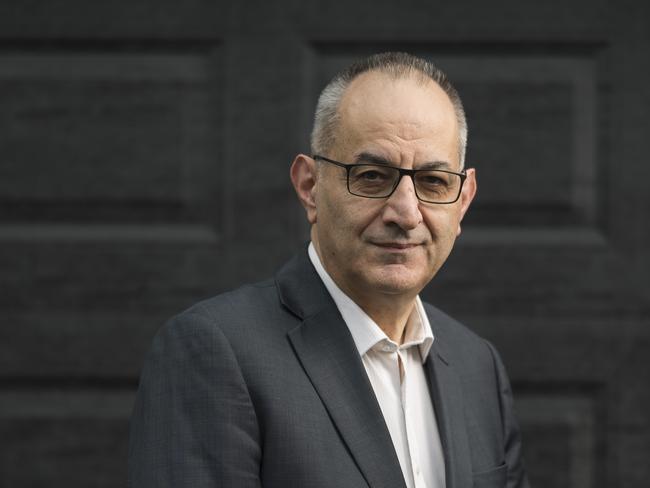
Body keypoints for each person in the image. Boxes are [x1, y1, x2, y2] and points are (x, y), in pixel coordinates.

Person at [128, 52, 530, 488]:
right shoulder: (214, 353)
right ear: (310, 186)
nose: (406, 213)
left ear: (463, 200)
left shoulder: (477, 366)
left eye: (433, 182)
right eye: (373, 176)